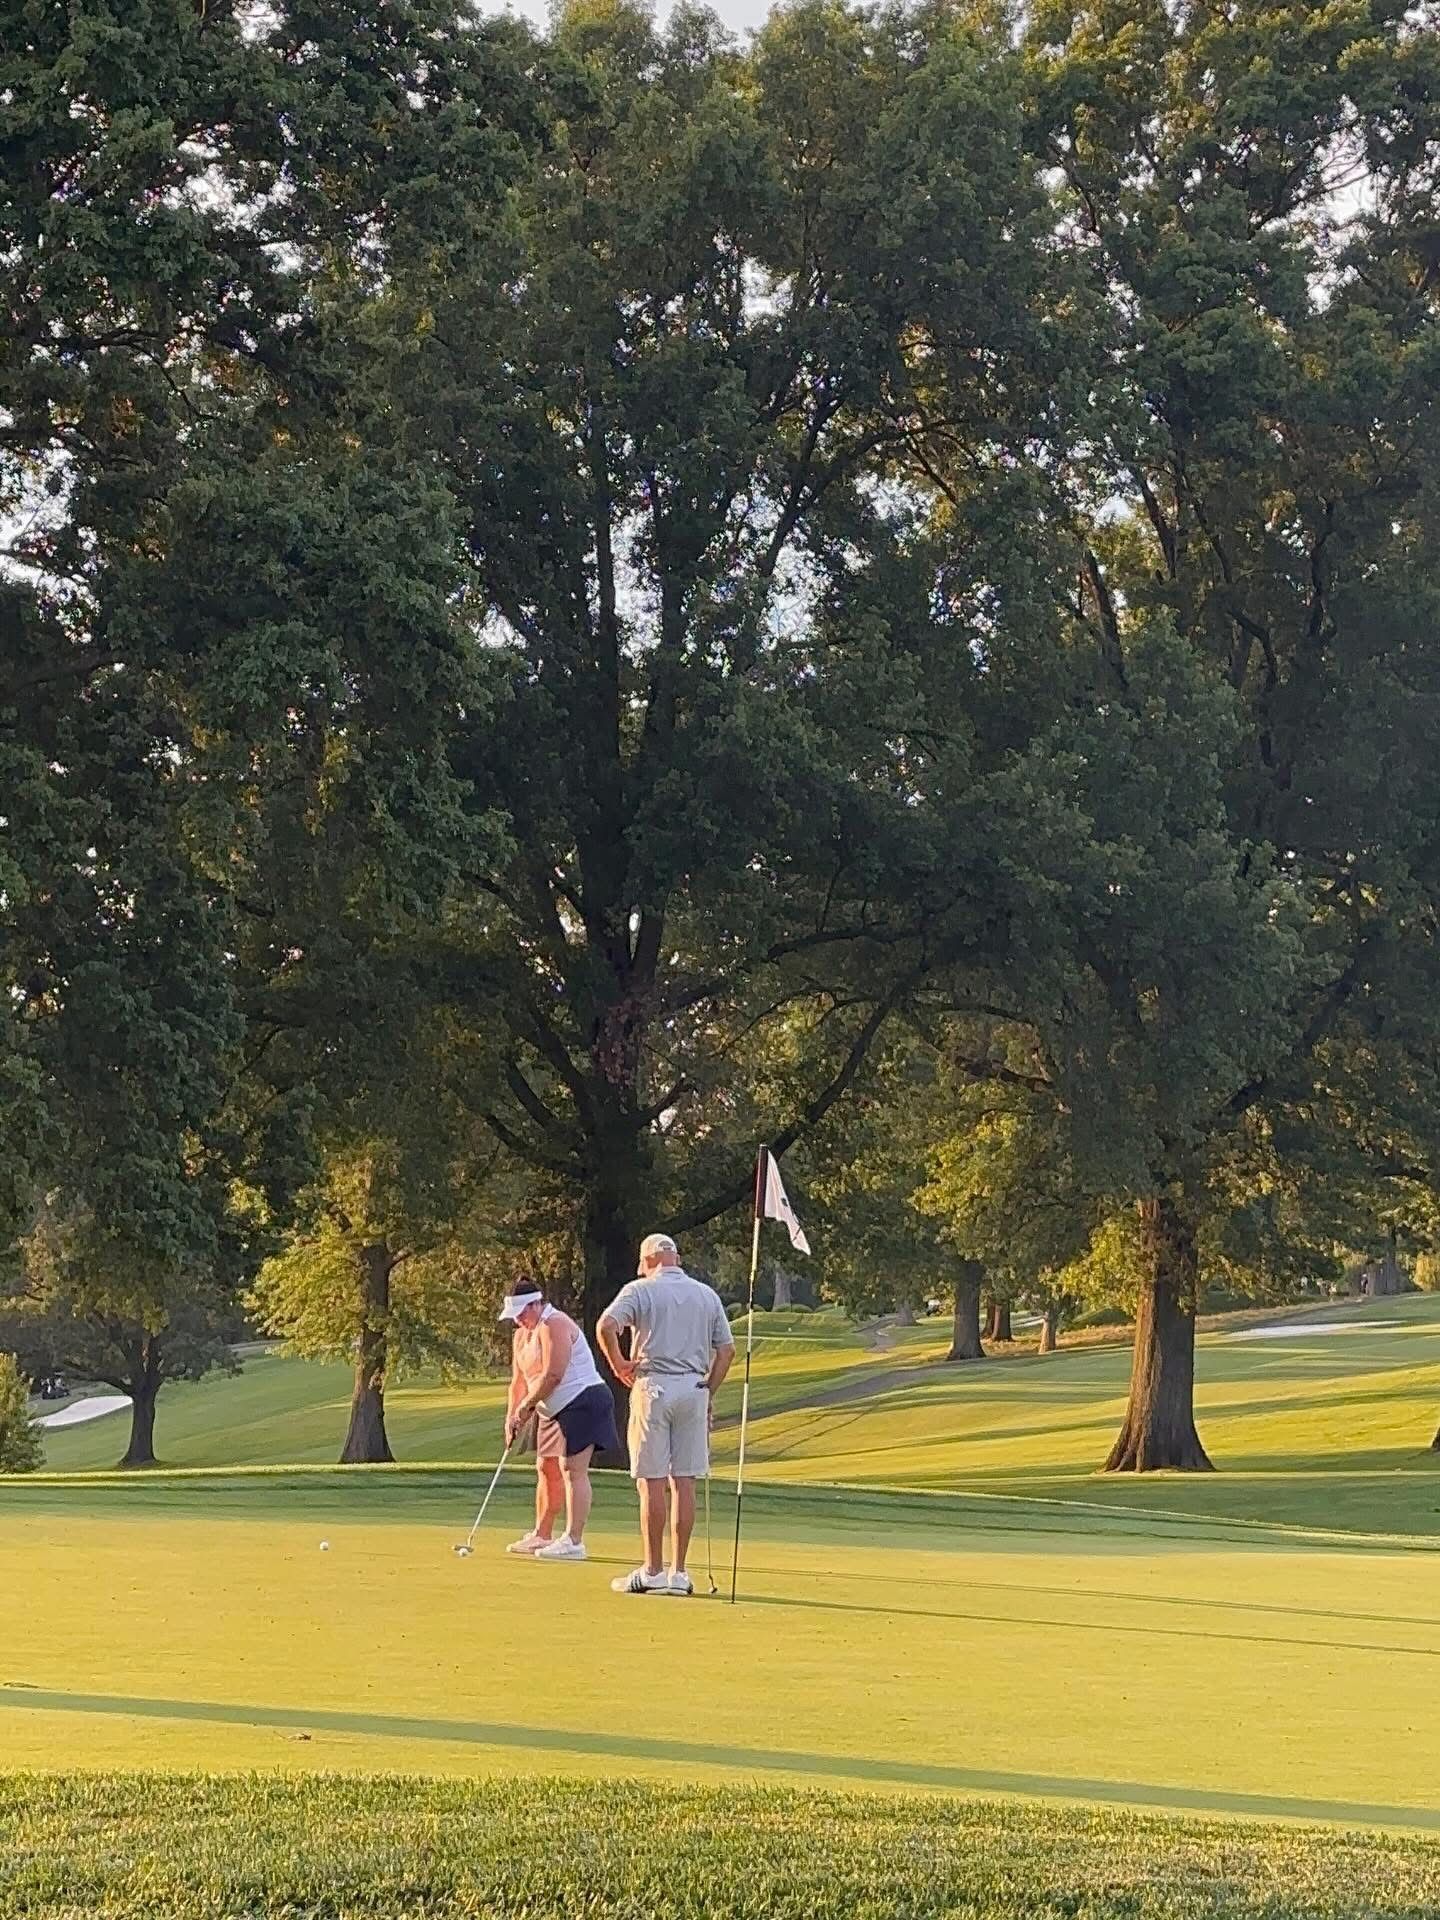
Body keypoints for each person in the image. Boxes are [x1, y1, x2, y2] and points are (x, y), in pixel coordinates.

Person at [597, 1232, 735, 1596]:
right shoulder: (706, 1294)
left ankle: (653, 1569)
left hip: (653, 1385)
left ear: (649, 1260)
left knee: (652, 1480)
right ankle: (679, 1573)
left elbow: (606, 1326)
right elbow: (727, 1351)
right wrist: (709, 1389)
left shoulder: (639, 1290)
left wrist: (618, 1365)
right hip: (692, 1387)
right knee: (684, 1481)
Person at [499, 1280, 619, 1561]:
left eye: (522, 1312)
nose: (518, 1319)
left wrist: (526, 1407)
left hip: (584, 1399)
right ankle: (542, 1534)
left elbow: (554, 1374)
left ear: (536, 1304)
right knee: (546, 1467)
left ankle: (574, 1541)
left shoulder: (555, 1323)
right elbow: (519, 1381)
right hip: (552, 1408)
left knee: (572, 1469)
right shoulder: (521, 1336)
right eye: (514, 1315)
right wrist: (512, 1416)